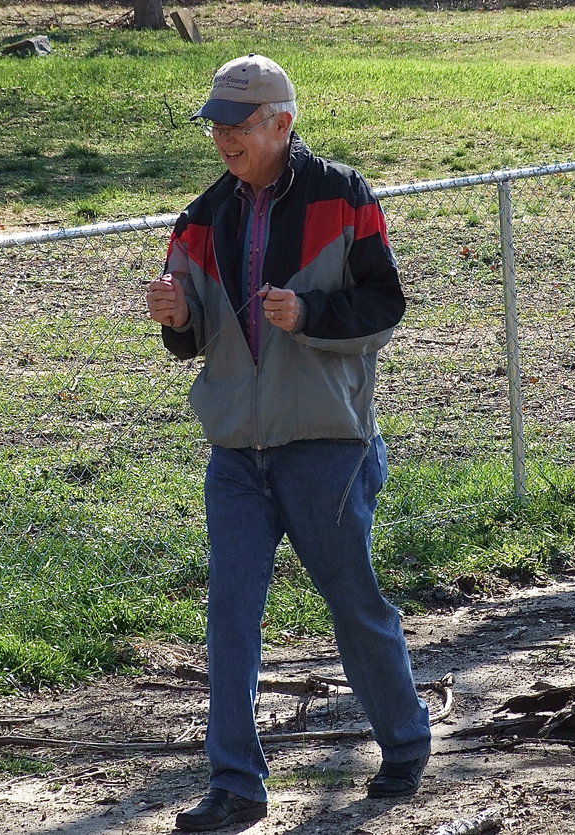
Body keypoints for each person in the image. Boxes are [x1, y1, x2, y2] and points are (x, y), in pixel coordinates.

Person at [146, 54, 432, 833]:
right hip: (236, 451)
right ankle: (235, 784)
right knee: (230, 616)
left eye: (237, 124)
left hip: (327, 447)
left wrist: (307, 315)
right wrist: (175, 317)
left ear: (283, 123)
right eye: (216, 124)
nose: (222, 137)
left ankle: (405, 740)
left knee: (353, 602)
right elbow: (195, 336)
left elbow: (385, 304)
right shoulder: (201, 216)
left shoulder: (345, 197)